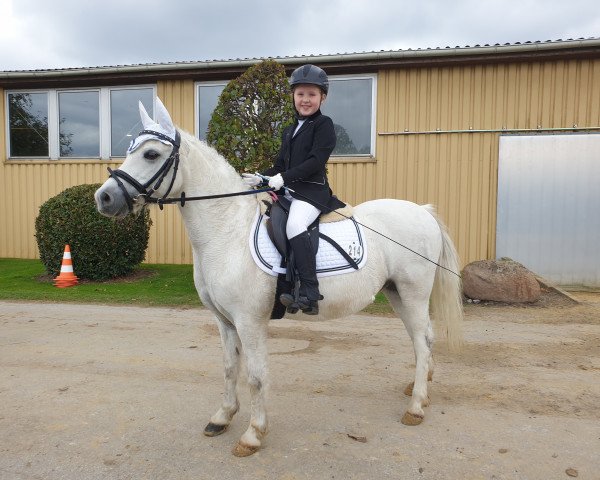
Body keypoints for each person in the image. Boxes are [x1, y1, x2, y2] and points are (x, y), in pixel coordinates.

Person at [243, 64, 345, 315]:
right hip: (290, 192)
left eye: (312, 94)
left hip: (312, 193)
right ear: (293, 96)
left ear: (323, 97)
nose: (305, 100)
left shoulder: (324, 125)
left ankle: (310, 291)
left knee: (295, 226)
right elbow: (280, 165)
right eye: (300, 94)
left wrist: (283, 178)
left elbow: (315, 162)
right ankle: (285, 285)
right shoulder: (290, 130)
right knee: (271, 222)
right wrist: (261, 177)